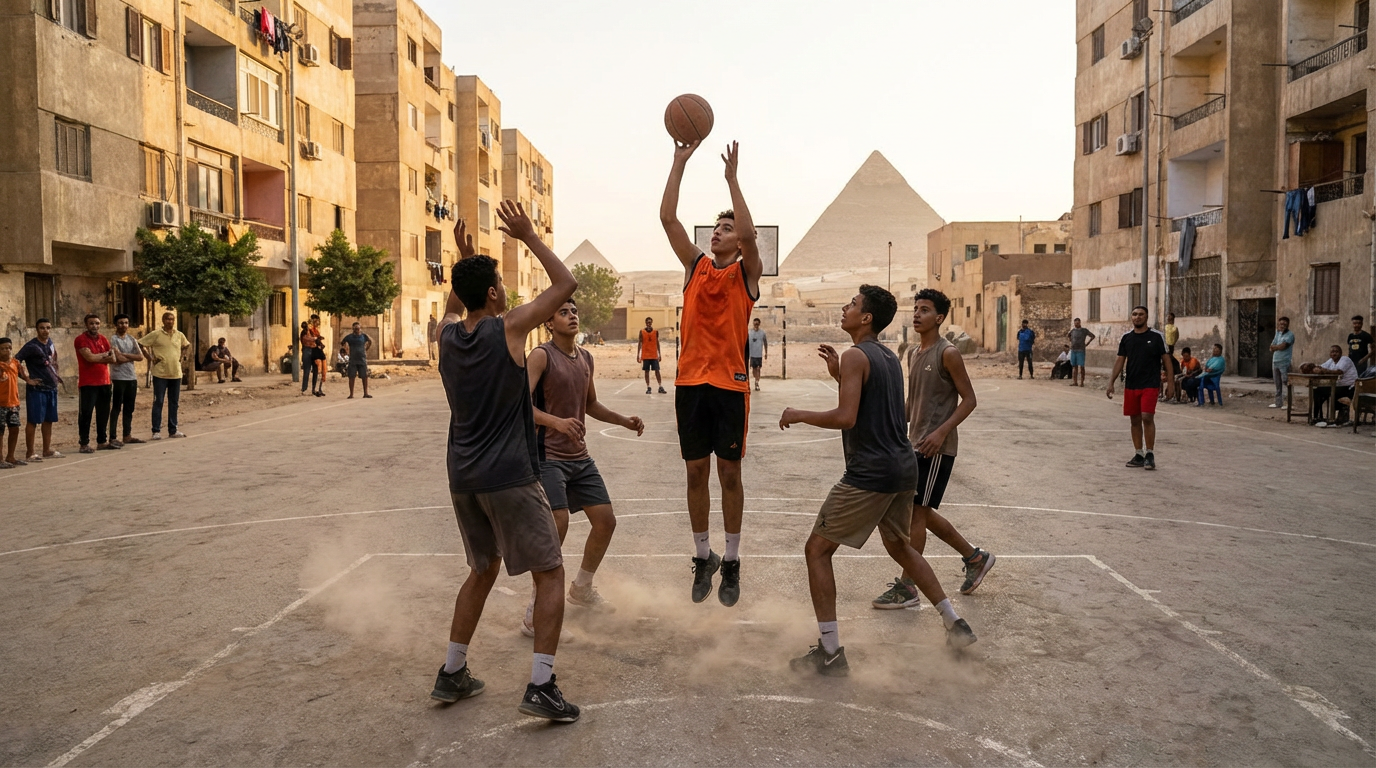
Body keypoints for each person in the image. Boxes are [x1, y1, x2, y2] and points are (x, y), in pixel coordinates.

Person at [430, 206, 582, 721]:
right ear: (495, 294)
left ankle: (452, 671)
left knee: (481, 568)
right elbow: (566, 283)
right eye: (497, 284)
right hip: (509, 476)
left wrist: (467, 260)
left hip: (462, 477)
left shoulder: (446, 336)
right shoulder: (509, 329)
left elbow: (458, 300)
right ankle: (542, 684)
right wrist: (530, 236)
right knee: (551, 573)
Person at [781, 286, 976, 676]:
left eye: (852, 305)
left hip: (871, 471)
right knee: (901, 547)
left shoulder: (858, 355)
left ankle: (831, 651)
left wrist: (800, 413)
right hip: (903, 466)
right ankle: (954, 622)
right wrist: (840, 373)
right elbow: (870, 402)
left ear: (866, 317)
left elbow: (846, 417)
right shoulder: (887, 356)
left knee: (816, 551)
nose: (845, 308)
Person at [660, 138, 762, 607]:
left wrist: (733, 180)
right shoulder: (696, 266)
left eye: (726, 228)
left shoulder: (746, 273)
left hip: (729, 386)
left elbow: (749, 234)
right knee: (695, 472)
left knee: (730, 475)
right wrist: (679, 163)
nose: (718, 233)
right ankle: (704, 556)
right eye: (716, 227)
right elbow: (668, 219)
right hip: (689, 385)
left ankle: (734, 559)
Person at [520, 298, 644, 633]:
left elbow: (590, 404)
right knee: (557, 525)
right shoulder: (541, 356)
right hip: (548, 455)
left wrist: (623, 421)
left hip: (579, 457)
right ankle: (536, 600)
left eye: (574, 312)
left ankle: (582, 588)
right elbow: (519, 406)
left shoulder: (586, 357)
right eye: (563, 312)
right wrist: (556, 423)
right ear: (548, 322)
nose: (571, 316)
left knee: (605, 521)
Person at [871, 288, 996, 609]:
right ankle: (974, 557)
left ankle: (908, 586)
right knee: (919, 512)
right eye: (915, 309)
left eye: (924, 310)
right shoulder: (914, 353)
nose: (917, 314)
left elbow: (969, 399)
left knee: (917, 514)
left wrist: (941, 432)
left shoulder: (947, 352)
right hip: (914, 445)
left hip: (937, 449)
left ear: (939, 318)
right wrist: (894, 429)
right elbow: (913, 403)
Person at [1107, 306, 1174, 470]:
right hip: (1131, 385)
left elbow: (1167, 361)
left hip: (1150, 384)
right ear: (1131, 317)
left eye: (1141, 314)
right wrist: (1111, 382)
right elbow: (1119, 361)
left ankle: (1150, 453)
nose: (1137, 317)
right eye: (1134, 314)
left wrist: (1170, 383)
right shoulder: (1126, 338)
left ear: (1146, 317)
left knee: (1147, 417)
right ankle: (1139, 454)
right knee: (1135, 420)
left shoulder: (1156, 337)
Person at [14, 318, 64, 461]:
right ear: (37, 329)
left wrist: (56, 378)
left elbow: (54, 362)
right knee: (33, 420)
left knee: (48, 420)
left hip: (51, 388)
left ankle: (46, 450)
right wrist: (27, 379)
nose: (45, 330)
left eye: (48, 327)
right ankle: (30, 453)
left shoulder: (51, 343)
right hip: (37, 389)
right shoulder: (31, 346)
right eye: (42, 328)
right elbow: (16, 362)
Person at [139, 311, 190, 440]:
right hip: (160, 373)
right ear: (163, 320)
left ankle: (173, 429)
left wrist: (182, 356)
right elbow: (140, 344)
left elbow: (186, 345)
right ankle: (156, 431)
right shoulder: (156, 334)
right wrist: (150, 357)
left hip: (175, 373)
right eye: (167, 319)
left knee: (174, 402)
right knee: (159, 401)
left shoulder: (179, 335)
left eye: (172, 319)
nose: (170, 321)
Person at [73, 313, 117, 453]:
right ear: (86, 324)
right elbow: (89, 358)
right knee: (86, 413)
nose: (95, 326)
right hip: (88, 383)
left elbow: (113, 359)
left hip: (105, 381)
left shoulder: (103, 339)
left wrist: (99, 357)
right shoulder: (81, 340)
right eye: (92, 323)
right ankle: (84, 443)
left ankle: (102, 441)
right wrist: (104, 355)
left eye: (97, 323)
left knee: (103, 413)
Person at [108, 314, 145, 447]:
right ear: (116, 325)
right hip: (118, 377)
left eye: (126, 323)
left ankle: (127, 435)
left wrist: (125, 355)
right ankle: (112, 437)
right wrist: (130, 357)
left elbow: (140, 357)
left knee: (129, 407)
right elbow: (118, 359)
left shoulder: (131, 339)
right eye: (121, 323)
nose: (123, 325)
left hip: (131, 377)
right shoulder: (113, 339)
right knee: (116, 407)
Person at [1313, 345, 1358, 426]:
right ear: (1330, 354)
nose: (1334, 354)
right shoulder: (1331, 361)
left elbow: (1338, 372)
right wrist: (1316, 368)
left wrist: (1324, 371)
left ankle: (1333, 417)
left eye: (1336, 352)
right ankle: (1317, 417)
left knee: (1326, 392)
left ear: (1340, 353)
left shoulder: (1345, 360)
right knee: (1317, 391)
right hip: (1338, 386)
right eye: (1332, 352)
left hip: (1349, 387)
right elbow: (1320, 367)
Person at [0, 338, 23, 468]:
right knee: (0, 431)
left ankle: (11, 456)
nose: (7, 351)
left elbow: (23, 375)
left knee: (14, 428)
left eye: (9, 347)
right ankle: (0, 459)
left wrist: (29, 380)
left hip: (13, 403)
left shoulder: (15, 363)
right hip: (0, 403)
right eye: (3, 348)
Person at [341, 322, 373, 399]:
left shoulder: (364, 336)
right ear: (353, 329)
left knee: (364, 376)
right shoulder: (349, 337)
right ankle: (351, 394)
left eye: (358, 328)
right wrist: (346, 350)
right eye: (355, 329)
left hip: (362, 359)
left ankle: (365, 393)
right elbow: (342, 342)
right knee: (351, 376)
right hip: (353, 360)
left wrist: (366, 349)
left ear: (360, 329)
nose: (357, 330)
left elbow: (370, 342)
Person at [1269, 316, 1295, 409]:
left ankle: (1289, 404)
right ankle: (1278, 403)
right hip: (1275, 361)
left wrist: (1276, 347)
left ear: (1288, 324)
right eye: (1280, 323)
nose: (1282, 325)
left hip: (1285, 362)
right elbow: (1271, 346)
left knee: (1286, 382)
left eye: (1284, 324)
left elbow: (1283, 346)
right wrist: (1276, 347)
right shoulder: (1278, 333)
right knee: (1277, 383)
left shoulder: (1290, 335)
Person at [637, 317, 665, 394]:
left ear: (652, 323)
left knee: (657, 371)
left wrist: (659, 353)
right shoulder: (642, 332)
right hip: (645, 355)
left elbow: (657, 342)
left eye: (650, 322)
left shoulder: (655, 332)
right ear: (645, 323)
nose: (649, 324)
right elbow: (640, 343)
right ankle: (648, 387)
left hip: (654, 355)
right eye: (647, 322)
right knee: (646, 371)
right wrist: (638, 354)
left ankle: (660, 386)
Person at [1067, 318, 1095, 387]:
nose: (1076, 325)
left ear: (1080, 323)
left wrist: (1087, 344)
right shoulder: (1073, 331)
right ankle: (1075, 382)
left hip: (1081, 350)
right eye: (1075, 323)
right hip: (1073, 350)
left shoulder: (1084, 330)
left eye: (1077, 323)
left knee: (1082, 367)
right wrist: (1071, 341)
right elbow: (1068, 335)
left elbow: (1092, 336)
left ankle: (1082, 382)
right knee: (1074, 367)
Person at [299, 320, 322, 396]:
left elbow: (315, 339)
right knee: (307, 371)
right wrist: (315, 339)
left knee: (315, 370)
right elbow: (305, 339)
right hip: (307, 350)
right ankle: (304, 389)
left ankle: (313, 389)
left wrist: (318, 341)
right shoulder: (303, 333)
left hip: (313, 350)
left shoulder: (311, 332)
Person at [747, 317, 768, 391]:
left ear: (759, 324)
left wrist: (766, 353)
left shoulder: (762, 333)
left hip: (759, 354)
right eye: (755, 323)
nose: (756, 325)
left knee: (758, 368)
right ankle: (755, 379)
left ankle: (757, 382)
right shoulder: (749, 332)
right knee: (754, 369)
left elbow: (765, 343)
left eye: (757, 324)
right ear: (753, 324)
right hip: (752, 354)